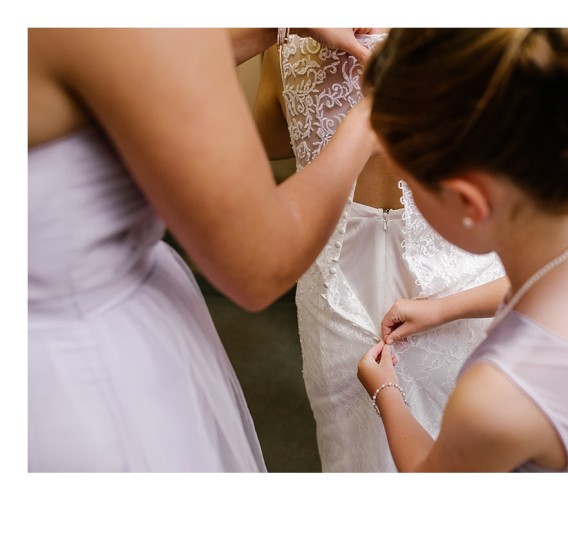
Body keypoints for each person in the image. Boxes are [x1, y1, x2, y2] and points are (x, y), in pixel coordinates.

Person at [27, 28, 374, 471]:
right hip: (82, 380)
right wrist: (367, 123)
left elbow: (126, 61)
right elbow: (258, 263)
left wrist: (277, 24)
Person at [355, 28, 568, 472]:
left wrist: (386, 392)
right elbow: (553, 290)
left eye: (409, 184)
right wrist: (443, 309)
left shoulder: (497, 396)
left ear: (468, 203)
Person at [253, 30, 506, 471]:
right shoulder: (475, 39)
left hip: (337, 284)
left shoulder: (288, 40)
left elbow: (270, 140)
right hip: (456, 271)